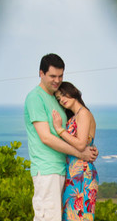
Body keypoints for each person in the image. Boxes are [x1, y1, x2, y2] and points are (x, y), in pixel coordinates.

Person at [24, 54, 97, 221]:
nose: (57, 80)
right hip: (47, 169)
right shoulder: (35, 97)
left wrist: (88, 145)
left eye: (60, 76)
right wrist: (81, 153)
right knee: (48, 218)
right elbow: (46, 138)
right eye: (52, 76)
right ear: (41, 73)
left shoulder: (56, 98)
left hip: (64, 169)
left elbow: (76, 132)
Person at [51, 81, 98, 220]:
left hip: (82, 174)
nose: (62, 100)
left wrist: (60, 130)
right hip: (73, 174)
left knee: (80, 216)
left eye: (64, 95)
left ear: (74, 92)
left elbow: (81, 144)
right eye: (59, 99)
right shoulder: (75, 115)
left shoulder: (83, 113)